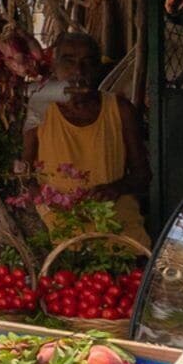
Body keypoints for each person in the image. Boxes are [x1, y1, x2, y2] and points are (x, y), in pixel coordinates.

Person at [29, 31, 140, 229]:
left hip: (114, 221)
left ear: (98, 68)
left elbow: (143, 175)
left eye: (87, 62)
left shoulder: (120, 110)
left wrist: (115, 188)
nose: (78, 71)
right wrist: (47, 202)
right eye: (69, 61)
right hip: (59, 223)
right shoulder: (40, 108)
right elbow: (24, 173)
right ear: (54, 66)